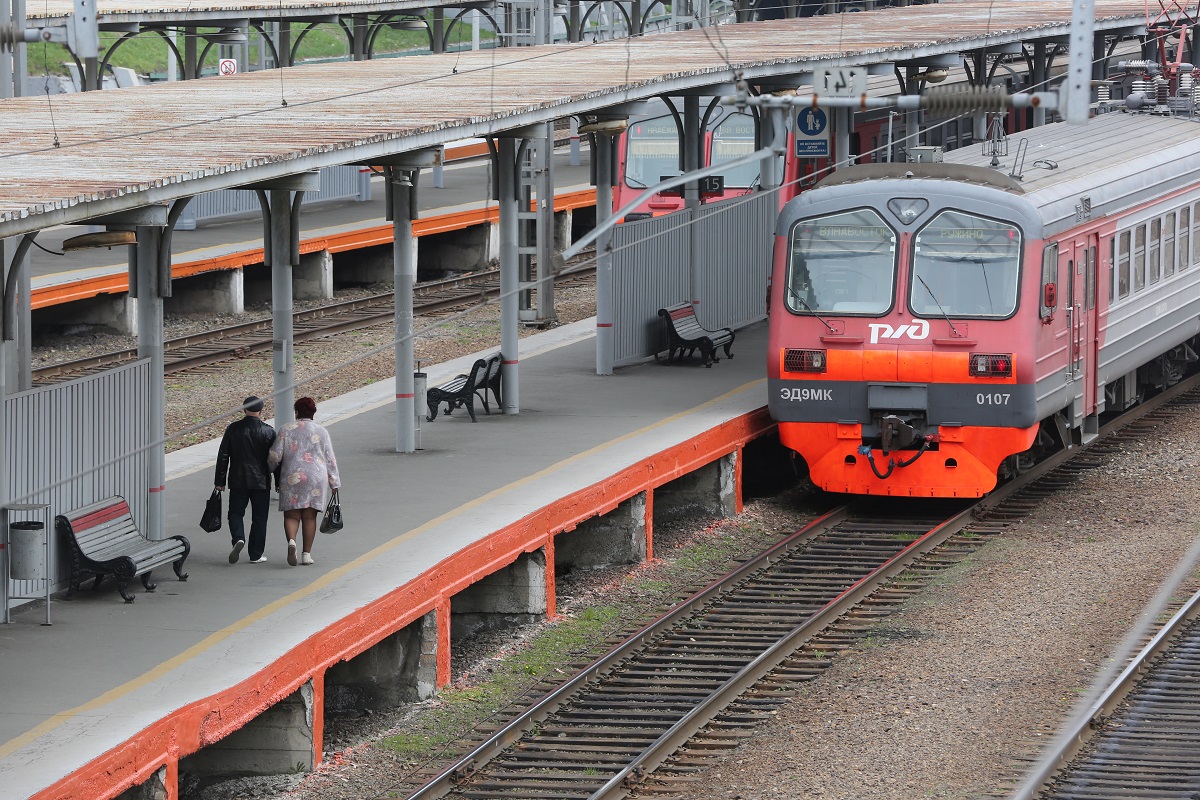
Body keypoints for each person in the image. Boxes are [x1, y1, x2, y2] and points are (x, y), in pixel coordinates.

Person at [267, 396, 341, 566]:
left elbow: (275, 456)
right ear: (313, 412)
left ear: (297, 412)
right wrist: (334, 482)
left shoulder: (286, 429)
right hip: (316, 478)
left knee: (292, 514)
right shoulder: (322, 431)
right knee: (310, 516)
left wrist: (269, 470)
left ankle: (291, 541)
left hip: (292, 476)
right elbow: (330, 459)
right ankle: (306, 554)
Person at [214, 396, 277, 564]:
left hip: (238, 479)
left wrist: (219, 481)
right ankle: (256, 554)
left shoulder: (233, 429)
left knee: (235, 513)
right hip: (261, 481)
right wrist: (278, 482)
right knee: (260, 518)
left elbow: (223, 456)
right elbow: (275, 460)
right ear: (261, 411)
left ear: (244, 409)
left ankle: (238, 538)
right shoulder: (269, 431)